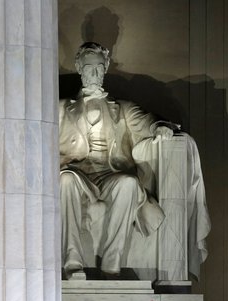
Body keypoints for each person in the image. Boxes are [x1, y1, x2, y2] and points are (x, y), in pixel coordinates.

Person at [58, 42, 175, 279]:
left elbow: (146, 121)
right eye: (89, 68)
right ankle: (72, 262)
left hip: (109, 174)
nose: (94, 74)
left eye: (99, 68)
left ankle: (112, 264)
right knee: (66, 180)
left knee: (129, 183)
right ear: (79, 68)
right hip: (77, 173)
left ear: (106, 68)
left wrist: (160, 127)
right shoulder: (61, 109)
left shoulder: (122, 108)